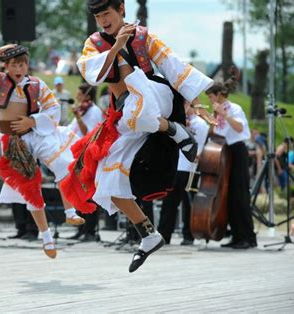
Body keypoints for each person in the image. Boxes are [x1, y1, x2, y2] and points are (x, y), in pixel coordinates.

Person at [61, 0, 213, 272]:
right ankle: (148, 235)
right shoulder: (93, 43)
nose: (103, 20)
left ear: (121, 10)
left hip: (156, 97)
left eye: (107, 13)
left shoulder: (143, 35)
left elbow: (173, 67)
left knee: (138, 106)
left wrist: (197, 103)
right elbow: (91, 73)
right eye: (99, 16)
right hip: (126, 114)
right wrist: (116, 46)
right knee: (107, 182)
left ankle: (176, 130)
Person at [0, 45, 85, 258]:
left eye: (22, 64)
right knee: (31, 189)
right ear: (6, 65)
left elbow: (53, 109)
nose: (18, 68)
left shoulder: (36, 84)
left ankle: (70, 211)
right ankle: (46, 238)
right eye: (14, 64)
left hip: (35, 133)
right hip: (13, 141)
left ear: (27, 65)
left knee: (63, 164)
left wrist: (32, 120)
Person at [206, 77, 257, 249]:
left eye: (211, 97)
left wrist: (224, 114)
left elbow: (240, 128)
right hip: (225, 152)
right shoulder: (218, 111)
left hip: (238, 151)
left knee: (240, 194)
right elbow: (215, 133)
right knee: (230, 196)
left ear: (219, 95)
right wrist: (211, 116)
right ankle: (237, 235)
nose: (210, 100)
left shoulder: (234, 108)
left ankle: (248, 237)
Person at [158, 100, 209, 245]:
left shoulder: (199, 123)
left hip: (189, 167)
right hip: (175, 166)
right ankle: (164, 234)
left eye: (186, 106)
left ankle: (189, 235)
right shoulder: (176, 122)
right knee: (169, 203)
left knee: (188, 203)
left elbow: (198, 146)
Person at [67, 83, 105, 241]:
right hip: (77, 157)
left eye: (79, 94)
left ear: (88, 96)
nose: (77, 97)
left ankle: (90, 230)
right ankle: (81, 229)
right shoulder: (83, 110)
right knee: (80, 193)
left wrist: (77, 117)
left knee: (89, 193)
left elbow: (88, 134)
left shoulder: (94, 111)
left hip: (88, 157)